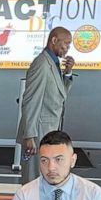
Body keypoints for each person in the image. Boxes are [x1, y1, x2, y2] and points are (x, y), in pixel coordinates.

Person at [17, 27, 74, 184]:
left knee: (45, 176)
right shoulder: (41, 64)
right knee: (33, 178)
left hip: (49, 130)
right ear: (54, 40)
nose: (67, 48)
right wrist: (29, 135)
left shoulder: (53, 63)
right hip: (38, 131)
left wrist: (68, 73)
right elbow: (30, 99)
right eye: (66, 44)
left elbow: (60, 94)